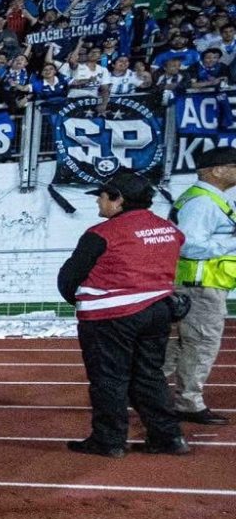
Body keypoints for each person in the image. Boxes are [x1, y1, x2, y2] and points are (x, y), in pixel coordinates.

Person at [56, 170, 187, 457]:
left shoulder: (101, 234)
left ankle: (109, 441)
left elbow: (69, 276)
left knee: (109, 379)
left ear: (118, 200)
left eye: (102, 197)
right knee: (149, 375)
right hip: (157, 310)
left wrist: (81, 301)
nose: (98, 203)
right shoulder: (168, 229)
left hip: (111, 316)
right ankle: (168, 437)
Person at [166, 147, 236, 426]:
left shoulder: (205, 199)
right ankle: (188, 403)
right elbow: (191, 245)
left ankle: (146, 392)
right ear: (216, 170)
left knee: (177, 346)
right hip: (200, 286)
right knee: (200, 345)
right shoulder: (204, 203)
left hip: (197, 284)